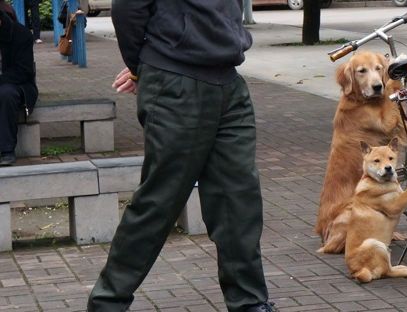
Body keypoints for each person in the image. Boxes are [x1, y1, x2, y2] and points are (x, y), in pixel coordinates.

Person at [87, 1, 276, 312]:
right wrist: (145, 67)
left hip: (228, 81)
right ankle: (107, 303)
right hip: (177, 82)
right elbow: (127, 10)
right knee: (160, 199)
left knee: (238, 198)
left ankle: (248, 301)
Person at [0, 8, 38, 166]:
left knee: (5, 94)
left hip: (17, 84)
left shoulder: (20, 34)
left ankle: (7, 151)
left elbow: (24, 71)